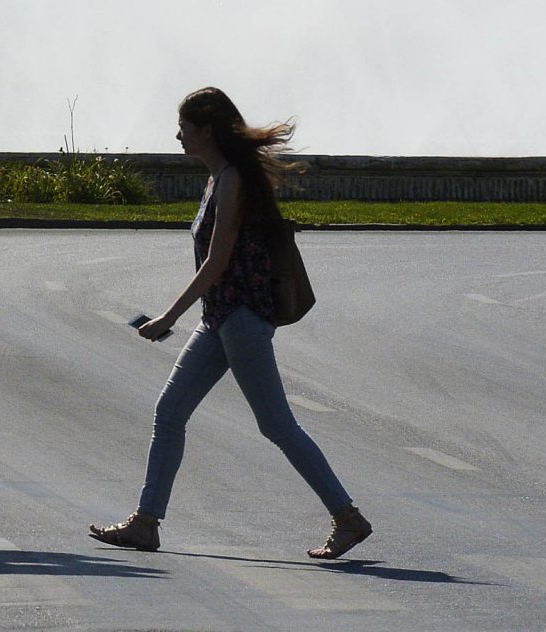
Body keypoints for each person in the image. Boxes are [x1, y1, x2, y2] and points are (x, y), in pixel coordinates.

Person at [90, 87, 372, 561]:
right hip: (221, 319)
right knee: (170, 412)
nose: (176, 134)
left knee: (277, 425)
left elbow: (218, 261)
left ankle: (348, 518)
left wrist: (168, 317)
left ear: (206, 130)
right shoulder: (218, 177)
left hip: (241, 320)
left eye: (184, 126)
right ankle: (145, 524)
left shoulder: (233, 180)